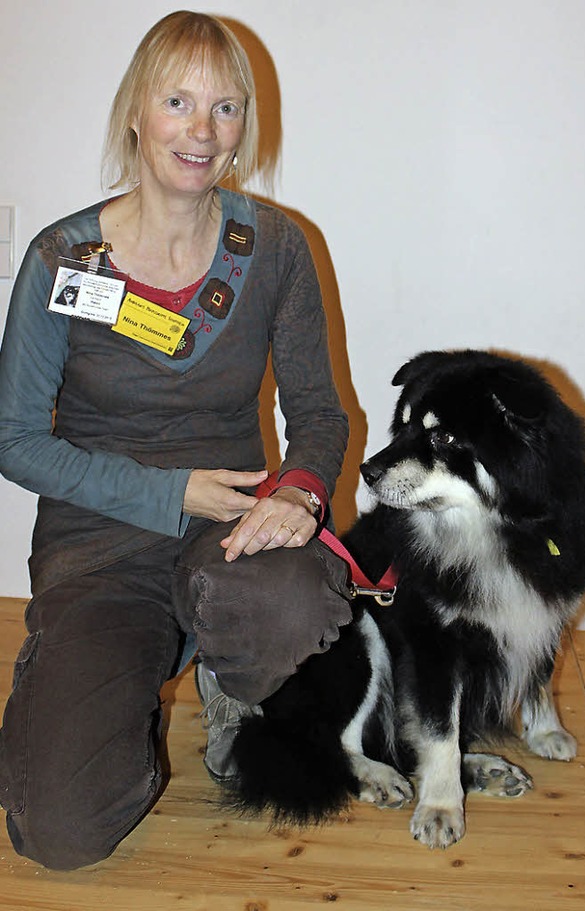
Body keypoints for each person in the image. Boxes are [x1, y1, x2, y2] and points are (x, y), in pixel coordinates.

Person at [0, 11, 351, 871]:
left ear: (244, 128)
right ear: (136, 113)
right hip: (99, 547)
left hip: (227, 529)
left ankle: (230, 685)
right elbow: (12, 440)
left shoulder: (274, 248)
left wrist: (301, 491)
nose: (201, 130)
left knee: (294, 598)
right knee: (57, 833)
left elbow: (319, 409)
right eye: (178, 101)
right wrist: (166, 492)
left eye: (226, 108)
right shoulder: (62, 259)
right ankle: (83, 679)